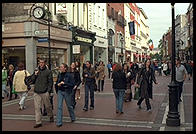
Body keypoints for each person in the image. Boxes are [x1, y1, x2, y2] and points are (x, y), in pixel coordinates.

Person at [31, 59, 54, 128]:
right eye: (40, 62)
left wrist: (48, 91)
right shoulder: (36, 71)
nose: (41, 64)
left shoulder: (48, 72)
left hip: (45, 92)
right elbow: (32, 80)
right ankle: (38, 122)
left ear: (45, 63)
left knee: (48, 106)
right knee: (37, 108)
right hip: (37, 92)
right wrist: (35, 75)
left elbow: (50, 82)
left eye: (42, 62)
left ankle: (51, 116)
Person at [55, 63, 76, 127]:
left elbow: (72, 84)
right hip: (60, 91)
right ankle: (59, 122)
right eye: (60, 67)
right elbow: (57, 82)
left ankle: (73, 117)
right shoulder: (59, 74)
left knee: (69, 106)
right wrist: (57, 85)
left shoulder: (69, 75)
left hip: (67, 92)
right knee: (59, 106)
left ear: (65, 68)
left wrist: (64, 83)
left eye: (61, 67)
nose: (60, 68)